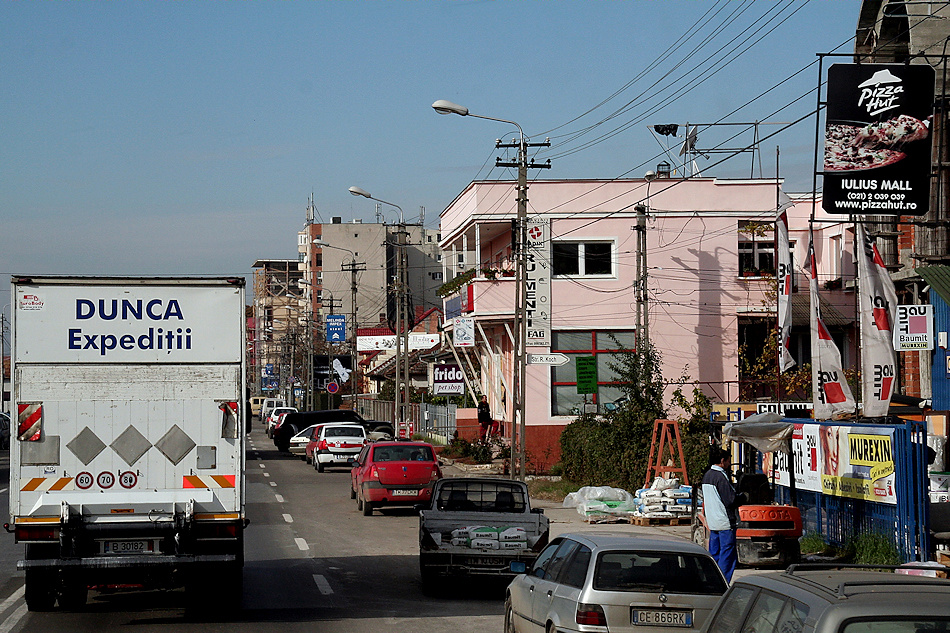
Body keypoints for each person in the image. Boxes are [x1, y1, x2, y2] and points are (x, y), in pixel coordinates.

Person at [701, 447, 747, 582]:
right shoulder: (720, 477)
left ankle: (711, 580)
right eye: (728, 461)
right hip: (725, 522)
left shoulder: (707, 475)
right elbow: (730, 500)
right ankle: (723, 582)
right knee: (727, 555)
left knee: (714, 554)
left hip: (713, 521)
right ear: (722, 461)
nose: (728, 464)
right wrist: (743, 497)